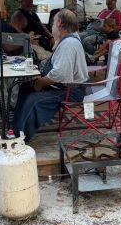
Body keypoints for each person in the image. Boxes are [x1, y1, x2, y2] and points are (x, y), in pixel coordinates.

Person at [12, 9, 89, 140]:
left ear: (59, 23)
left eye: (53, 22)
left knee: (34, 100)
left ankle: (19, 140)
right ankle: (15, 129)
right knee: (26, 87)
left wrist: (41, 82)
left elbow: (60, 74)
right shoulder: (67, 40)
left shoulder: (69, 44)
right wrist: (39, 79)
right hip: (63, 86)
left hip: (71, 91)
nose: (52, 26)